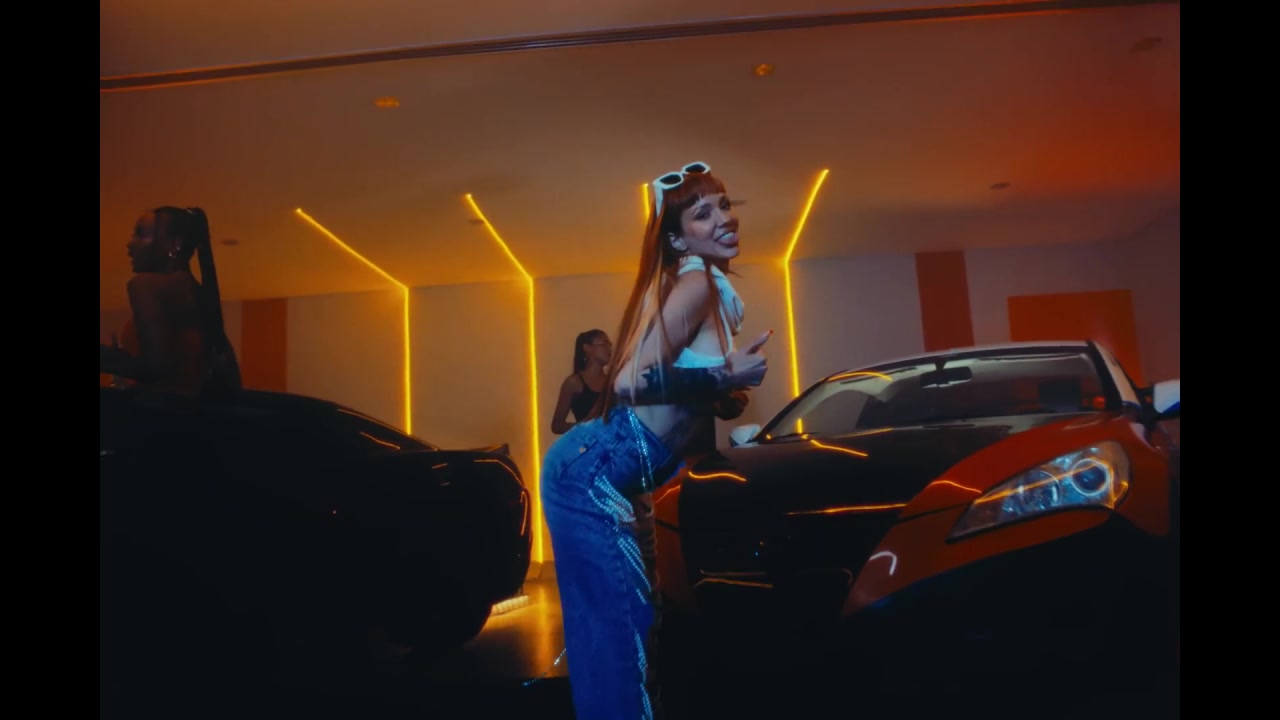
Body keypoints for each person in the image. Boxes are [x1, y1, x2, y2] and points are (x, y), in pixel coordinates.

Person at [540, 161, 772, 719]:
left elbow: (671, 389)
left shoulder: (705, 290)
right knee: (620, 628)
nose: (724, 218)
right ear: (678, 239)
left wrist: (720, 395)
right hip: (589, 471)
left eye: (724, 205)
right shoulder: (695, 285)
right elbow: (626, 381)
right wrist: (724, 375)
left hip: (613, 466)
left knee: (633, 624)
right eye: (702, 213)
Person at [100, 206, 242, 397]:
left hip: (158, 412)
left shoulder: (145, 285)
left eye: (141, 235)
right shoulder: (196, 292)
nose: (130, 243)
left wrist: (107, 357)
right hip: (193, 411)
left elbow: (155, 367)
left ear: (175, 244)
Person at [550, 329, 613, 435]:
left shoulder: (613, 381)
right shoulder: (574, 383)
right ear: (587, 348)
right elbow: (557, 426)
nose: (609, 349)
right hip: (589, 442)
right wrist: (585, 427)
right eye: (604, 344)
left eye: (609, 345)